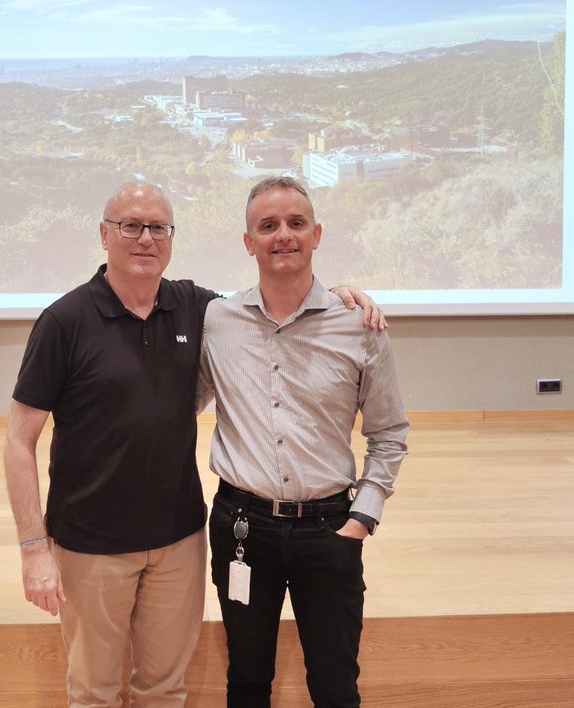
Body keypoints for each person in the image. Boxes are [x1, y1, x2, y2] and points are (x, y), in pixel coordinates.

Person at [3, 180, 384, 707]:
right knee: (94, 694)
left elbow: (276, 295)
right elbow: (18, 441)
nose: (145, 238)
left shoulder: (195, 308)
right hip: (90, 544)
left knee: (165, 691)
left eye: (158, 228)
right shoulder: (63, 321)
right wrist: (32, 549)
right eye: (130, 226)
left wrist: (338, 292)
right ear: (104, 234)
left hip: (179, 540)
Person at [196, 176, 409, 707]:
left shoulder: (359, 325)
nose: (283, 235)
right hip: (242, 529)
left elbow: (388, 433)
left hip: (330, 529)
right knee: (246, 683)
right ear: (249, 242)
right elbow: (181, 400)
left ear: (316, 235)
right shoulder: (217, 321)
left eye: (295, 223)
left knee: (336, 689)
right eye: (267, 226)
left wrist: (362, 518)